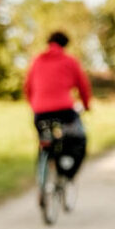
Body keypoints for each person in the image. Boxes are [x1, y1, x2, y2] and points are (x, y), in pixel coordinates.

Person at [24, 31, 92, 179]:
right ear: (65, 45)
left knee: (45, 140)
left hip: (40, 112)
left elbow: (28, 87)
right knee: (76, 138)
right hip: (64, 111)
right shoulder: (69, 61)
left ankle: (43, 170)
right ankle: (66, 172)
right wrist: (86, 106)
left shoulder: (37, 61)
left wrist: (34, 106)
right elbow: (83, 87)